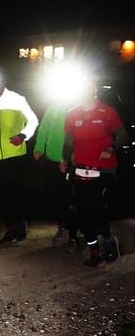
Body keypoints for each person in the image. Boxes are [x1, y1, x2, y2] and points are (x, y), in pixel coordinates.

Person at [63, 79, 129, 266]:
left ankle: (109, 241)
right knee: (83, 210)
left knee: (97, 208)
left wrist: (111, 148)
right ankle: (94, 252)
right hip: (81, 167)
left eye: (88, 88)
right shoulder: (72, 114)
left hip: (104, 168)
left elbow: (123, 136)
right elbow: (68, 142)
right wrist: (65, 159)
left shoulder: (108, 112)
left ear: (94, 90)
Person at [0, 68, 39, 243]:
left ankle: (19, 226)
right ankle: (11, 227)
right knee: (0, 195)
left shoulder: (17, 99)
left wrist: (23, 135)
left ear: (3, 83)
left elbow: (33, 120)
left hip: (15, 154)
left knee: (15, 192)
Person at [33, 103, 77, 247]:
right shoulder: (52, 109)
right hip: (52, 160)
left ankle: (73, 231)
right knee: (54, 196)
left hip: (72, 161)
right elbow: (44, 129)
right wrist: (39, 148)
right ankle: (63, 226)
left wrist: (67, 158)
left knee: (71, 197)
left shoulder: (77, 109)